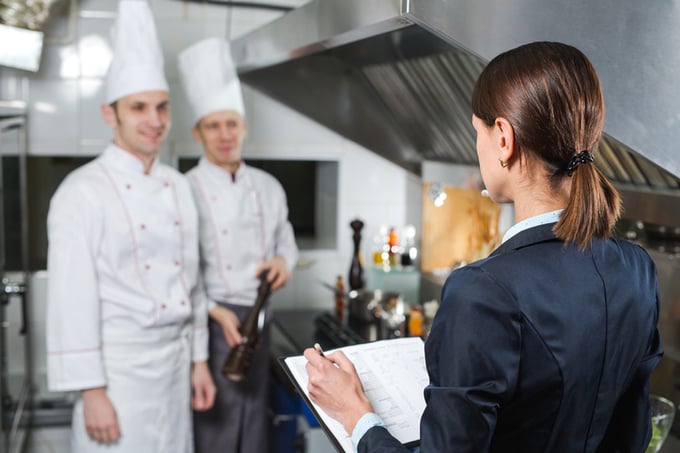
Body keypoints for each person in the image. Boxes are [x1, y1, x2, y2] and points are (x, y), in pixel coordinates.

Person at [303, 41, 663, 452]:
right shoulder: (637, 268)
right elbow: (632, 436)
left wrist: (356, 415)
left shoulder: (483, 291)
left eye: (478, 132)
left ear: (504, 139)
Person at [45, 1, 215, 451]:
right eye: (138, 107)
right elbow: (70, 300)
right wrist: (91, 392)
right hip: (116, 377)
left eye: (162, 107)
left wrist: (199, 361)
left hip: (175, 371)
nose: (155, 121)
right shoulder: (81, 192)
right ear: (110, 113)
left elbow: (192, 284)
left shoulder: (179, 187)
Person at [177, 37, 299, 453]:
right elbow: (179, 269)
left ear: (244, 126)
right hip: (211, 322)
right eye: (213, 126)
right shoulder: (183, 190)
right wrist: (214, 311)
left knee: (254, 424)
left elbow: (286, 238)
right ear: (197, 132)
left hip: (259, 317)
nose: (224, 135)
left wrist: (285, 261)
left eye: (232, 124)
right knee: (215, 424)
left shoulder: (268, 187)